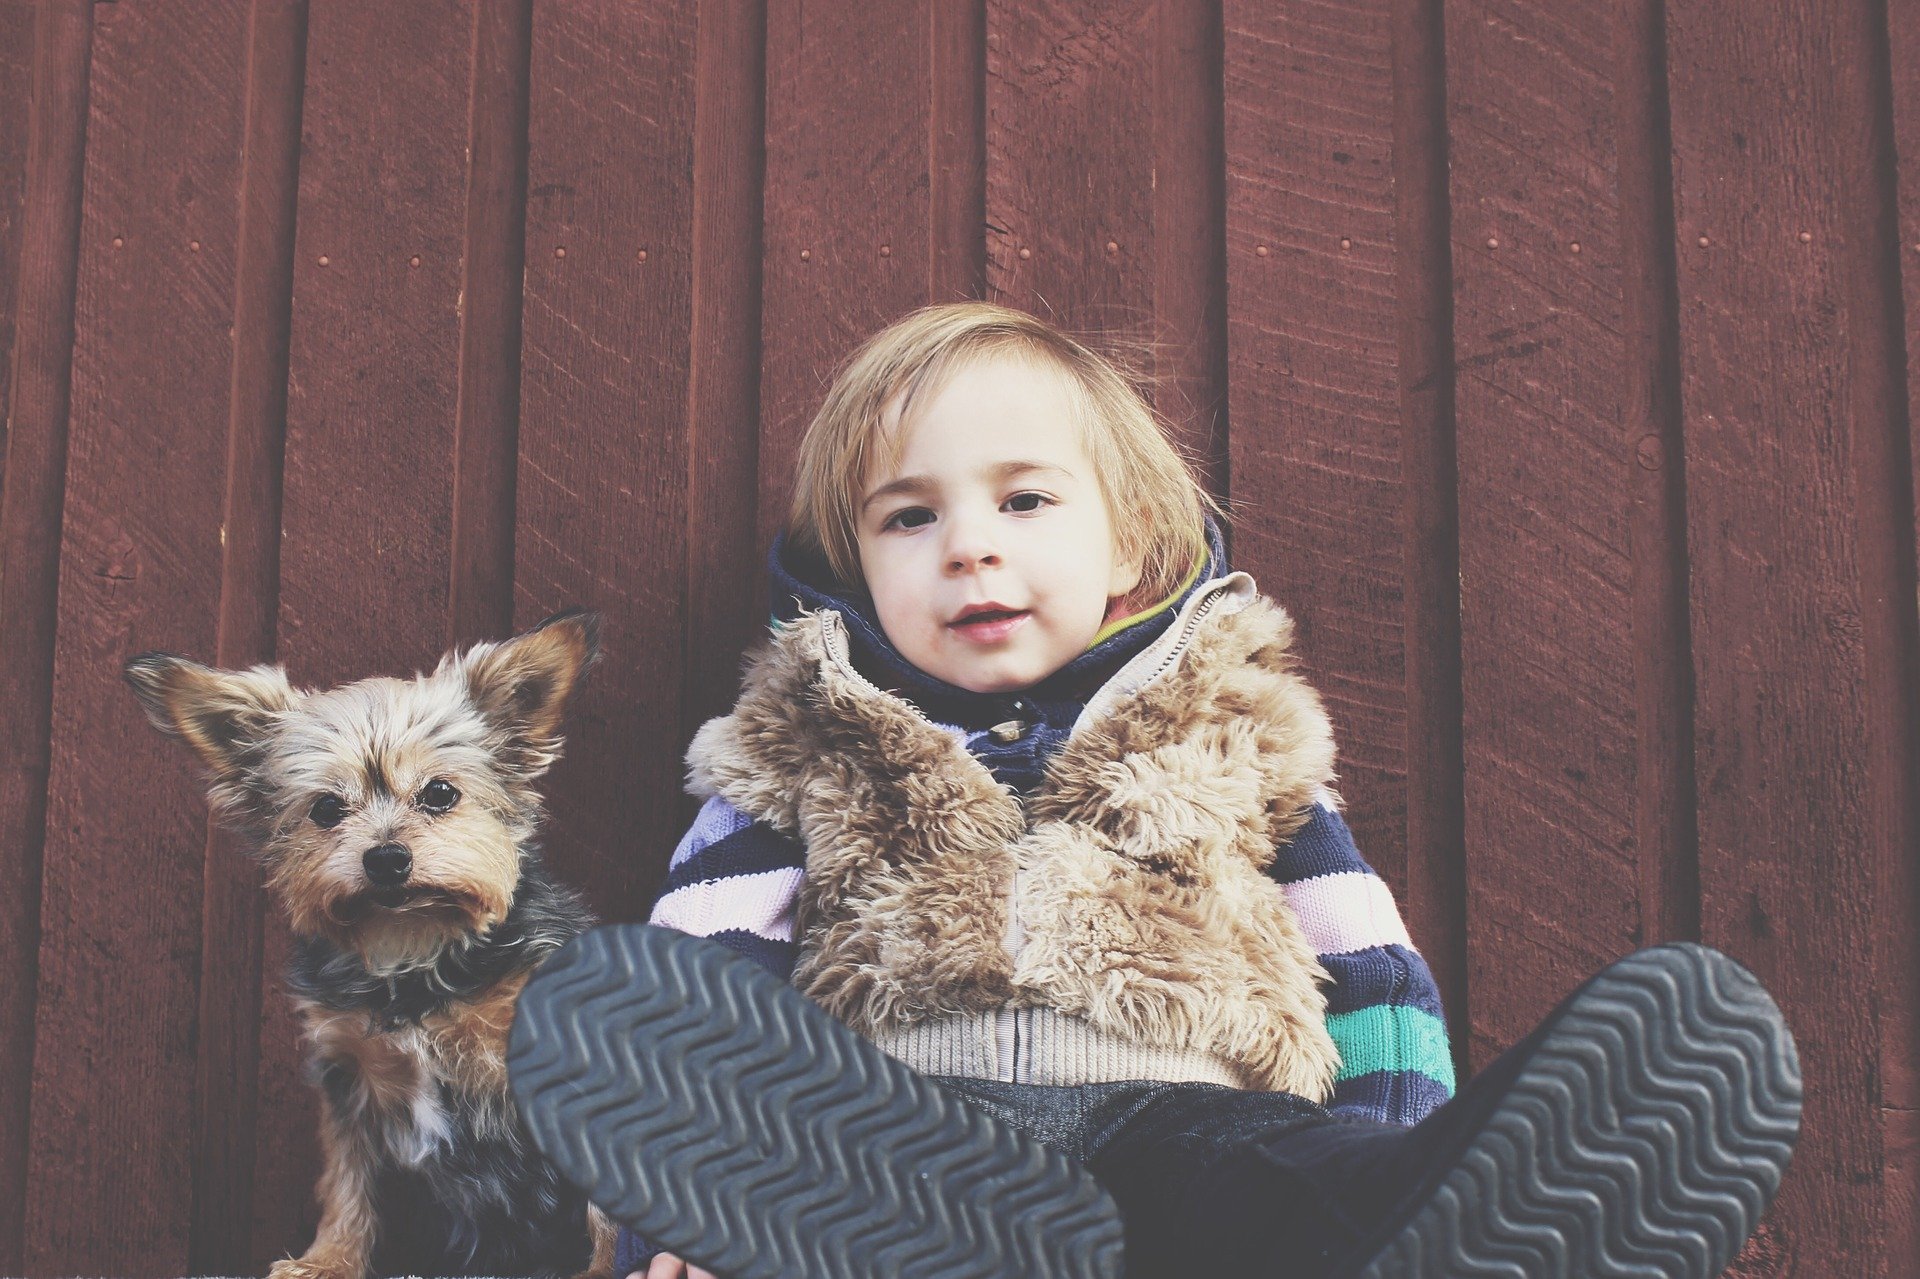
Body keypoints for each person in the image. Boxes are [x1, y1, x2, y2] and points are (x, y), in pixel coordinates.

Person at [505, 302, 1801, 1279]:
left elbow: (1372, 977)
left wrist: (1391, 1143)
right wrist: (678, 1221)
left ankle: (1420, 1222)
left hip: (1174, 1113)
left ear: (1128, 541)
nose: (970, 544)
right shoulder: (801, 742)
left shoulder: (1231, 739)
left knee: (1276, 1179)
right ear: (849, 573)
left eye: (1022, 499)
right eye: (908, 519)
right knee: (800, 1154)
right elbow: (686, 1012)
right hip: (896, 1136)